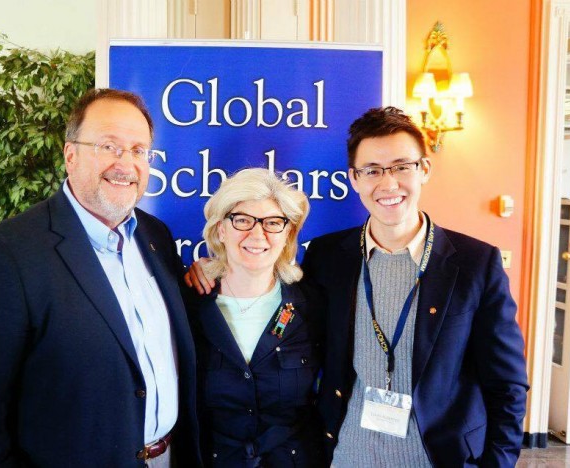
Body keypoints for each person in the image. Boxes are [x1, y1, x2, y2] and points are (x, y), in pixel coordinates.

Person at [186, 107, 529, 467]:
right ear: (354, 178)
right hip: (345, 456)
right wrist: (212, 266)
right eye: (372, 170)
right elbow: (263, 279)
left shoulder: (475, 264)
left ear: (424, 169)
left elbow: (507, 385)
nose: (388, 184)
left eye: (401, 166)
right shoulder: (328, 257)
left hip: (440, 458)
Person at [0, 88, 201, 467]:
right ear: (70, 154)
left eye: (138, 150)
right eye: (109, 146)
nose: (126, 164)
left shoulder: (155, 236)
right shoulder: (7, 252)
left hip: (168, 457)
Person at [187, 168, 325, 467]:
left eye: (273, 222)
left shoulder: (313, 305)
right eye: (242, 220)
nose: (257, 234)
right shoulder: (187, 306)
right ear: (221, 229)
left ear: (288, 234)